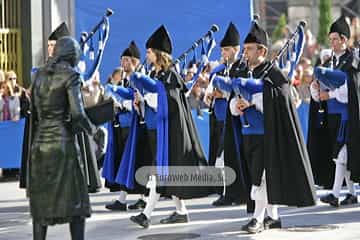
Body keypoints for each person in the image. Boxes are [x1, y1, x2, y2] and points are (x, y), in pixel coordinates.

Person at [228, 21, 316, 233]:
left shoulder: (273, 73)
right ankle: (273, 217)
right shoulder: (244, 72)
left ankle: (257, 219)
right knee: (260, 176)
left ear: (262, 50)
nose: (245, 53)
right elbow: (233, 99)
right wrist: (236, 105)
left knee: (263, 177)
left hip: (268, 134)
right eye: (245, 48)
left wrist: (255, 101)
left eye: (249, 49)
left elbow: (280, 100)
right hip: (248, 133)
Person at [128, 25, 210, 228]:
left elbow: (168, 106)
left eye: (148, 52)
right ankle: (181, 211)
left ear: (158, 53)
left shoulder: (170, 76)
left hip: (169, 132)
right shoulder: (159, 76)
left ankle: (146, 215)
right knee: (165, 173)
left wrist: (147, 92)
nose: (146, 55)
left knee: (160, 172)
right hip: (158, 129)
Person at [28, 36, 96, 240]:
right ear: (72, 54)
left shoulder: (39, 74)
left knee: (41, 205)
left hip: (40, 145)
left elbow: (35, 113)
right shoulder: (71, 75)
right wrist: (93, 130)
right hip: (63, 145)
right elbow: (77, 113)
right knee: (77, 203)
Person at [308, 15, 360, 207]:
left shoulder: (353, 60)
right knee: (340, 157)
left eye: (335, 39)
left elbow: (351, 91)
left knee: (342, 155)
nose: (331, 43)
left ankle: (335, 194)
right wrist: (316, 89)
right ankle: (352, 194)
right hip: (331, 115)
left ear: (344, 40)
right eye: (330, 40)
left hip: (348, 116)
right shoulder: (329, 62)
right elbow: (319, 93)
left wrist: (328, 95)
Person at [103, 41, 148, 211]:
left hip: (134, 126)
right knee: (127, 162)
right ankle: (133, 198)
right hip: (123, 126)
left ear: (135, 62)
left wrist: (121, 102)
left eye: (127, 60)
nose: (123, 63)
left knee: (132, 162)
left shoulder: (138, 79)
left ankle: (127, 199)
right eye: (122, 60)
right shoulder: (124, 80)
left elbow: (136, 99)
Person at [204, 22, 244, 207]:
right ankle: (227, 191)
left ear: (236, 49)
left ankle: (233, 193)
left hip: (236, 119)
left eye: (227, 50)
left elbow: (241, 91)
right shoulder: (218, 70)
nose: (224, 53)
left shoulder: (242, 68)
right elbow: (207, 96)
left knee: (230, 158)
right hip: (219, 118)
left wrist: (224, 94)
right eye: (222, 50)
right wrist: (211, 95)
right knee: (221, 158)